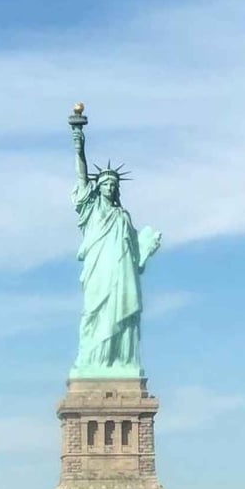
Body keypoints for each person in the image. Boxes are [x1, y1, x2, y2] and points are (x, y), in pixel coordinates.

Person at [70, 120, 162, 377]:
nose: (110, 187)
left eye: (113, 185)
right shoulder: (92, 210)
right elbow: (81, 175)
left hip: (122, 273)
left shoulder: (123, 216)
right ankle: (94, 360)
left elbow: (136, 259)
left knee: (120, 313)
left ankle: (121, 360)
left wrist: (147, 248)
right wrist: (79, 146)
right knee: (95, 313)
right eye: (105, 184)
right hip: (99, 270)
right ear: (97, 188)